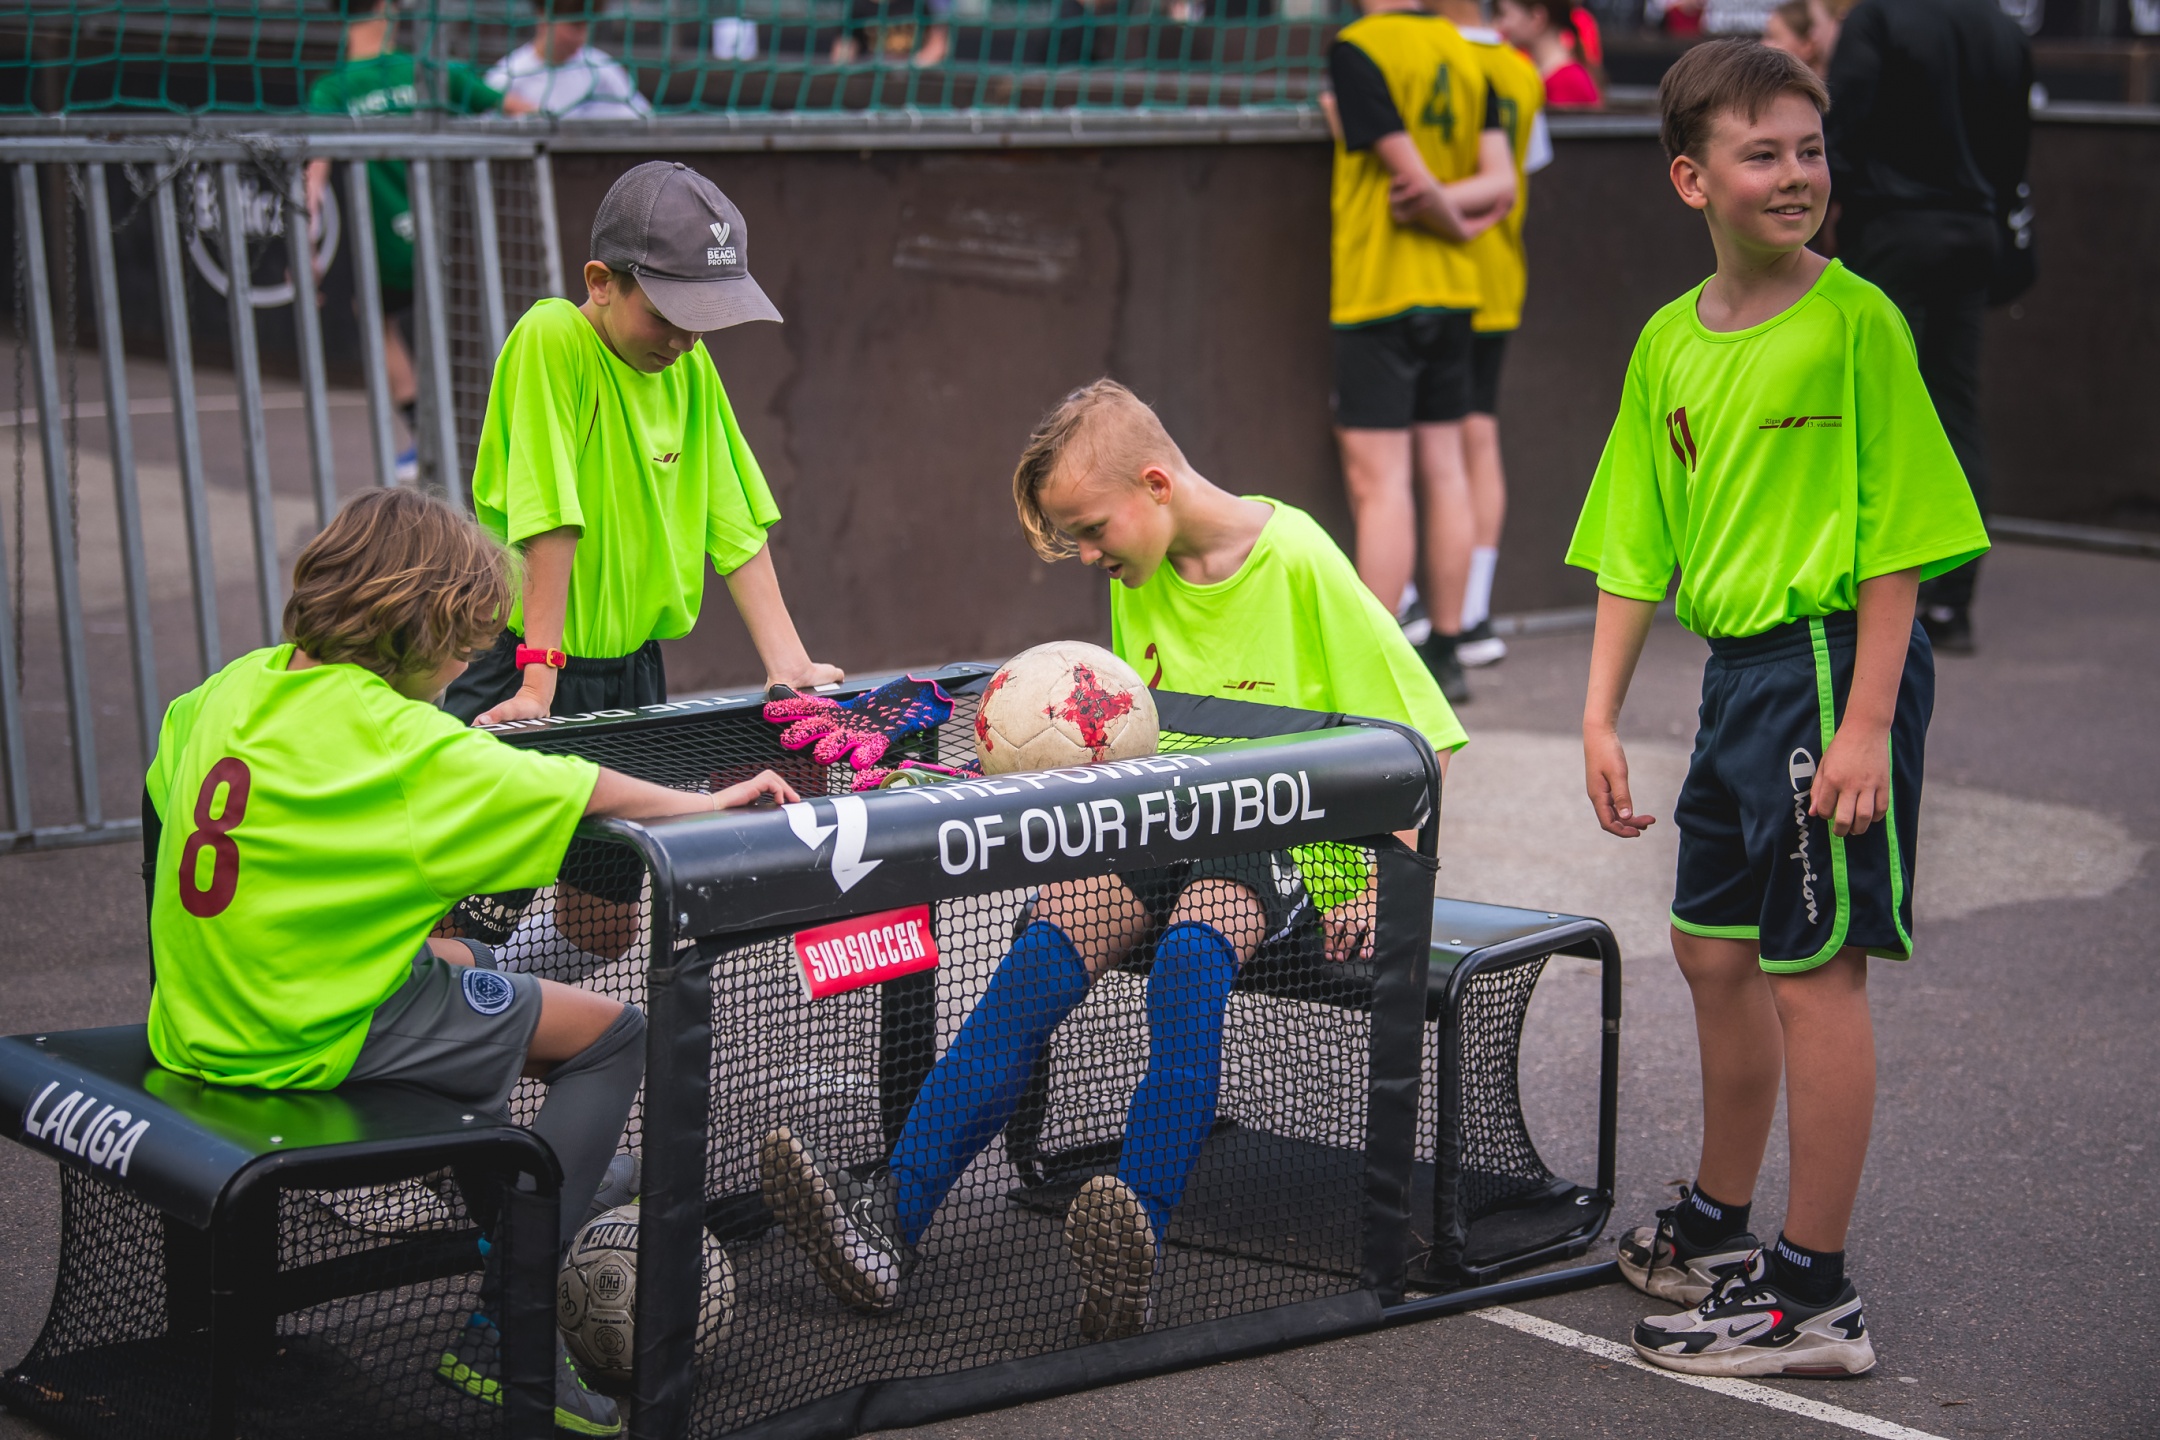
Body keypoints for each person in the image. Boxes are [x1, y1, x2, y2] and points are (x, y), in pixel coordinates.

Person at [758, 380, 1466, 1342]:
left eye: (1091, 531)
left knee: (1188, 965)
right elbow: (1131, 741)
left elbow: (1426, 742)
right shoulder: (1139, 570)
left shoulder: (1299, 559)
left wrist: (1384, 881)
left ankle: (1133, 1239)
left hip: (1287, 835)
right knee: (1037, 964)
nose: (1087, 555)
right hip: (1158, 824)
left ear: (1155, 485)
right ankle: (891, 1220)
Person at [141, 487, 800, 1434]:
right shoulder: (404, 740)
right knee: (613, 1037)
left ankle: (547, 1187)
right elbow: (572, 788)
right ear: (413, 627)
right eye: (462, 642)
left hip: (199, 1016)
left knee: (465, 956)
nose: (467, 665)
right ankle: (506, 1328)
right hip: (298, 1037)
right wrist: (706, 803)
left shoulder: (233, 686)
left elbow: (170, 796)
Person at [1570, 41, 1987, 1377]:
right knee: (1709, 950)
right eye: (1765, 153)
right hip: (1738, 678)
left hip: (1826, 667)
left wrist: (1864, 724)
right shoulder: (1667, 343)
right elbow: (1635, 541)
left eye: (1811, 149)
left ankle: (1814, 1297)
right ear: (1692, 179)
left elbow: (1899, 542)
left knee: (1816, 972)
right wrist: (1598, 715)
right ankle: (1717, 1220)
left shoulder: (1859, 321)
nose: (1799, 173)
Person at [438, 162, 840, 956]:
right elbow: (549, 516)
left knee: (604, 930)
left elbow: (734, 518)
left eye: (703, 320)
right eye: (668, 315)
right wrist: (538, 681)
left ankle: (507, 1003)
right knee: (463, 919)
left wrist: (788, 663)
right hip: (524, 667)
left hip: (630, 681)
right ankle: (461, 1008)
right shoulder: (553, 338)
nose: (686, 338)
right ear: (601, 282)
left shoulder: (688, 366)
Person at [1326, 0, 1520, 703]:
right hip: (1457, 294)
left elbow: (1407, 178)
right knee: (1446, 469)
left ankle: (1379, 667)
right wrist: (1465, 216)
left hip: (1380, 290)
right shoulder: (1468, 53)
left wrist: (1442, 213)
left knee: (1381, 483)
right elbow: (1501, 181)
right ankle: (1447, 649)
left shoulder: (1359, 48)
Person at [1827, 0, 2032, 654]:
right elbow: (2015, 148)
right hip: (1972, 231)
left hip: (1891, 229)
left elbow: (1842, 126)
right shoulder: (2002, 28)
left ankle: (1872, 591)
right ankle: (1950, 599)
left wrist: (1831, 210)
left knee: (1875, 407)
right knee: (1955, 405)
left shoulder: (1879, 18)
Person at [306, 0, 534, 485]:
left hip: (389, 250)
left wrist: (306, 250)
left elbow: (313, 181)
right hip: (447, 242)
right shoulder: (429, 73)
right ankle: (482, 441)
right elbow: (522, 111)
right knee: (469, 325)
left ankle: (424, 436)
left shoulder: (333, 88)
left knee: (374, 317)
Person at [1447, 0, 1552, 667]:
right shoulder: (1520, 72)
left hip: (1440, 275)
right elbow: (1527, 164)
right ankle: (1472, 610)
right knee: (1476, 436)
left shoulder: (1435, 62)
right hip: (1499, 277)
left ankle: (1434, 609)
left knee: (1430, 447)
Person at [486, 0, 654, 119]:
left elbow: (643, 117)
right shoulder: (508, 75)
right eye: (575, 26)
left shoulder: (601, 68)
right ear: (544, 17)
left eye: (588, 25)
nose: (582, 37)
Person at [1495, 0, 1603, 107]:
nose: (1501, 25)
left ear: (1536, 18)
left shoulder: (1567, 82)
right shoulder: (1549, 76)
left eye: (1504, 14)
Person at [831, 0, 952, 66]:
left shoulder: (918, 4)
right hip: (873, 78)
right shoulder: (859, 7)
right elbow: (844, 48)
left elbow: (938, 44)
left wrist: (915, 64)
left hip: (914, 79)